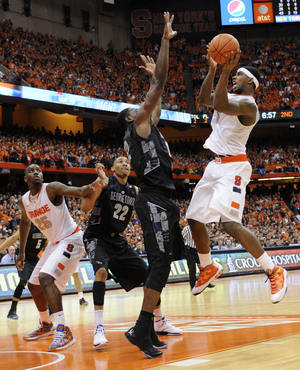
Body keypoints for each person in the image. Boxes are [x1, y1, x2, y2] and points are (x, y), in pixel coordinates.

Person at [185, 47, 288, 303]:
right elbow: (204, 99)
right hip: (215, 166)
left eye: (238, 75)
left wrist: (225, 70)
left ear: (250, 82)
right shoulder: (230, 96)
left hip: (234, 167)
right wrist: (212, 70)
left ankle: (273, 269)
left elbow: (218, 102)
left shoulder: (248, 104)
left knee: (229, 223)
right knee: (194, 218)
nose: (233, 78)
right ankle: (207, 266)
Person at [117, 12, 184, 359]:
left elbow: (159, 89)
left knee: (167, 263)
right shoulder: (138, 126)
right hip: (154, 199)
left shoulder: (149, 128)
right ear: (132, 118)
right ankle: (142, 327)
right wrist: (164, 41)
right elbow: (159, 86)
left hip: (165, 199)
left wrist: (156, 77)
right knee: (159, 263)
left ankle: (147, 327)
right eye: (139, 108)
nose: (145, 109)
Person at [82, 157, 182, 350]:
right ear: (112, 168)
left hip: (117, 240)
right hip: (96, 236)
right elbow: (84, 208)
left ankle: (159, 321)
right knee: (101, 272)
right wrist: (99, 183)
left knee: (149, 277)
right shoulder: (105, 183)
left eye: (127, 162)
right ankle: (99, 328)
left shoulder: (134, 191)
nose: (125, 163)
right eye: (119, 161)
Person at [16, 163, 102, 351]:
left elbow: (80, 191)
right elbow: (24, 223)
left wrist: (98, 181)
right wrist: (21, 251)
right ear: (25, 179)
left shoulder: (52, 188)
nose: (36, 173)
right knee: (33, 284)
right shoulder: (24, 200)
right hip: (55, 243)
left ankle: (64, 330)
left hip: (71, 238)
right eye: (31, 171)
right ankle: (46, 324)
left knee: (46, 277)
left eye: (38, 170)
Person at [0, 223, 48, 320]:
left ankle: (49, 309)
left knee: (43, 282)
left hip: (34, 258)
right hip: (23, 256)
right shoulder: (29, 225)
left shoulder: (47, 228)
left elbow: (46, 245)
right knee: (23, 282)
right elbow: (13, 238)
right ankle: (12, 310)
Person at [182, 223, 214, 290]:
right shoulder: (186, 229)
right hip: (189, 250)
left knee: (204, 267)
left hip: (199, 250)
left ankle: (206, 283)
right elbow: (182, 239)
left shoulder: (200, 229)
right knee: (192, 269)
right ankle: (193, 286)